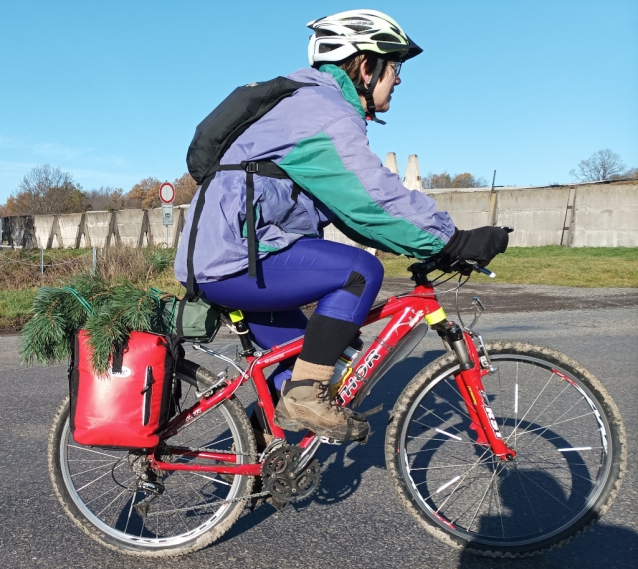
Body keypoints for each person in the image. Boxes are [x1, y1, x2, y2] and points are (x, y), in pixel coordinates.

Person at [174, 9, 508, 442]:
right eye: (395, 66)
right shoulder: (323, 111)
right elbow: (371, 195)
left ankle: (256, 461)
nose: (399, 79)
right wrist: (451, 239)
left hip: (232, 257)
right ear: (366, 66)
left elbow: (351, 213)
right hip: (234, 262)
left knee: (305, 363)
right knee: (359, 273)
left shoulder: (308, 106)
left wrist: (423, 245)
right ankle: (305, 399)